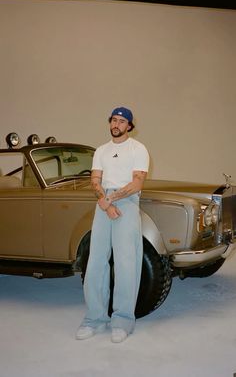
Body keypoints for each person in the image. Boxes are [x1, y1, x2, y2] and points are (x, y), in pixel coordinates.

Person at [76, 106, 149, 343]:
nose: (116, 124)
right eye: (113, 120)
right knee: (96, 260)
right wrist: (105, 202)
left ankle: (123, 320)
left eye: (122, 121)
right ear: (110, 123)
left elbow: (137, 183)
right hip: (104, 202)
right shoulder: (101, 150)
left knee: (126, 261)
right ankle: (94, 319)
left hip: (126, 201)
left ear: (129, 126)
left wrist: (111, 200)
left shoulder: (138, 149)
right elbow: (95, 180)